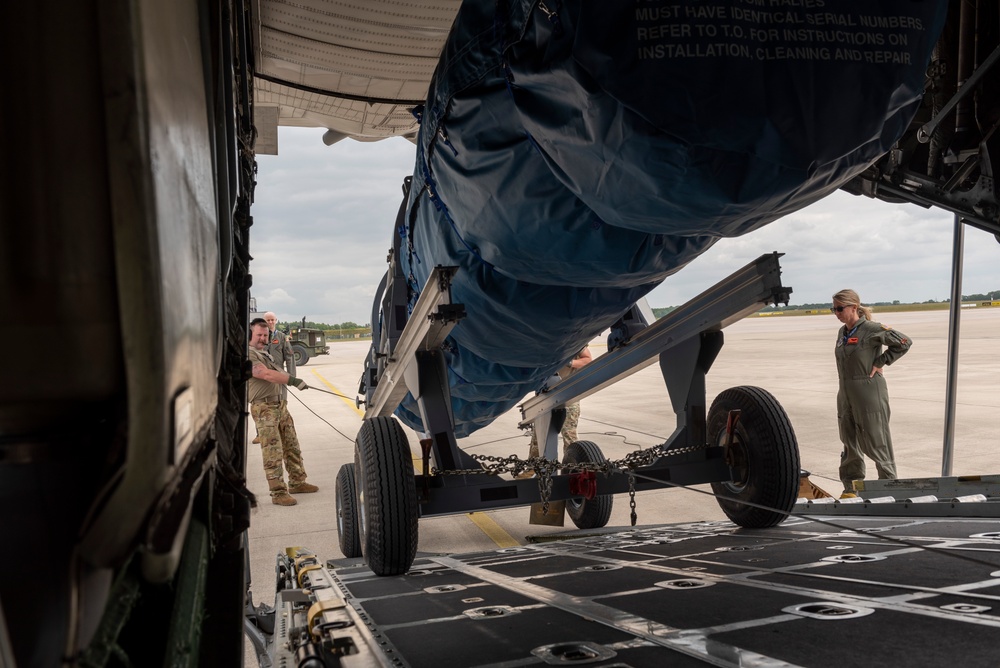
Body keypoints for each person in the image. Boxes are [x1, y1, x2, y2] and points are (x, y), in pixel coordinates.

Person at [831, 289, 912, 498]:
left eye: (840, 308)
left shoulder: (871, 329)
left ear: (854, 308)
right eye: (834, 309)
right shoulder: (843, 332)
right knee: (849, 441)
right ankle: (851, 488)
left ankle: (888, 486)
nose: (836, 313)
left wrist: (881, 361)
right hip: (846, 392)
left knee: (877, 440)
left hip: (868, 392)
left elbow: (904, 342)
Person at [247, 317, 319, 506]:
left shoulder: (265, 353)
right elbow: (266, 374)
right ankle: (278, 493)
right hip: (264, 408)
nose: (263, 338)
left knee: (291, 445)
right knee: (273, 451)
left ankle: (297, 481)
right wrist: (294, 381)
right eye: (259, 335)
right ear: (250, 334)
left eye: (265, 335)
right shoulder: (248, 354)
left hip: (280, 405)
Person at [527, 345, 594, 460]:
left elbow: (587, 360)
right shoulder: (540, 342)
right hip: (544, 393)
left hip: (568, 394)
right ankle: (532, 468)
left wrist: (569, 363)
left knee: (569, 434)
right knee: (539, 434)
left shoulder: (575, 341)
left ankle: (571, 467)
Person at [252, 312, 296, 444]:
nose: (270, 322)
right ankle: (260, 433)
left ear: (276, 321)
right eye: (267, 320)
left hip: (279, 376)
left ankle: (279, 431)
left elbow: (289, 356)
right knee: (260, 404)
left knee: (281, 403)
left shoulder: (282, 337)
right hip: (263, 377)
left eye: (272, 320)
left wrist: (292, 377)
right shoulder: (258, 337)